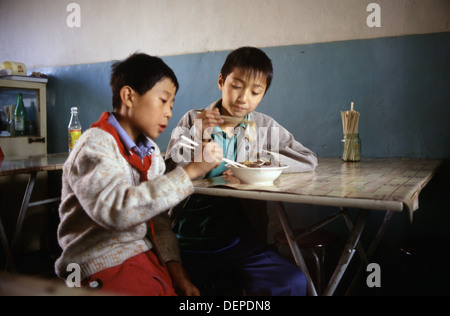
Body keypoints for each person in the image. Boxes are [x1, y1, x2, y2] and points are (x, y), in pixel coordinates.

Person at [55, 53, 223, 296]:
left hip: (142, 258)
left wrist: (178, 274)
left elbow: (158, 220)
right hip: (96, 263)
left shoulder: (151, 153)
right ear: (128, 96)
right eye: (163, 101)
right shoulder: (95, 145)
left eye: (172, 105)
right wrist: (191, 171)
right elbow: (117, 211)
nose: (169, 113)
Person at [165, 47, 318, 296]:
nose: (243, 98)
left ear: (263, 94)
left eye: (255, 92)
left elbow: (308, 158)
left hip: (238, 240)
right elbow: (172, 171)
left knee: (291, 282)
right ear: (221, 82)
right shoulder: (194, 119)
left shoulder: (263, 126)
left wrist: (258, 163)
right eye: (236, 85)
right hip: (189, 241)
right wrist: (201, 135)